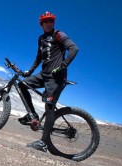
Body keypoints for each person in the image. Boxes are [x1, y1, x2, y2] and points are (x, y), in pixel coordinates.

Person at [18, 11, 79, 152]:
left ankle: (44, 142)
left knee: (49, 105)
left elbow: (74, 49)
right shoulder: (41, 38)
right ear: (41, 24)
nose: (48, 23)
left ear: (53, 23)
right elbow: (38, 57)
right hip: (43, 75)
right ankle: (32, 115)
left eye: (50, 21)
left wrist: (62, 67)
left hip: (56, 77)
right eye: (45, 22)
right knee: (22, 84)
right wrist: (29, 72)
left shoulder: (59, 34)